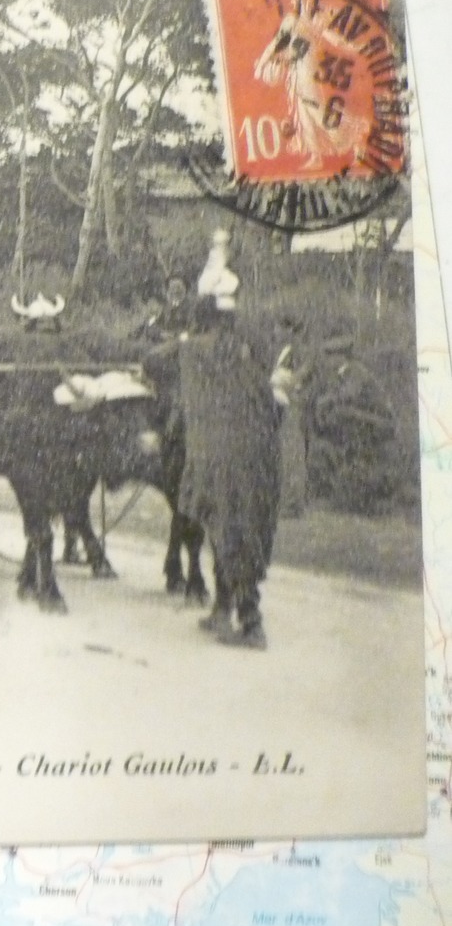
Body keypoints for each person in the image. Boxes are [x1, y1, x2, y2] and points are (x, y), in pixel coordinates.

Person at [178, 230, 291, 650]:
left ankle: (250, 620)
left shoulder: (194, 351)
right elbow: (273, 395)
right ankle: (223, 607)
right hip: (262, 456)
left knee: (226, 529)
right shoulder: (252, 345)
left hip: (220, 456)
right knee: (244, 529)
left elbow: (174, 379)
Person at [305, 332, 397, 509]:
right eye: (327, 355)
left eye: (331, 355)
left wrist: (325, 401)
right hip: (363, 419)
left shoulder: (356, 371)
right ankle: (335, 470)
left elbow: (348, 394)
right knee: (332, 414)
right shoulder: (340, 373)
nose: (328, 360)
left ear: (342, 356)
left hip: (381, 422)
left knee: (343, 413)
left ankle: (352, 466)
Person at [133, 273, 192, 343]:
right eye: (172, 288)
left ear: (185, 291)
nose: (175, 291)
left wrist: (179, 336)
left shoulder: (190, 310)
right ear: (167, 291)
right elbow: (149, 325)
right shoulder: (161, 309)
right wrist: (160, 334)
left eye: (179, 287)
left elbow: (192, 329)